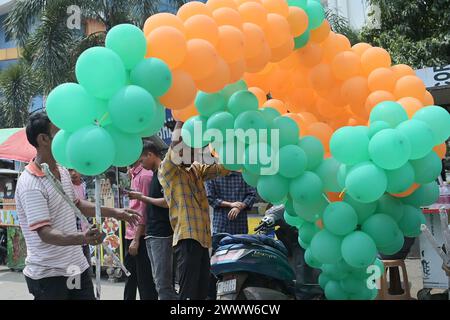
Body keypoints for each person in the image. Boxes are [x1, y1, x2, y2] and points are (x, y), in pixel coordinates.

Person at [15, 112, 141, 300]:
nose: (69, 137)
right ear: (43, 139)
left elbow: (77, 204)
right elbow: (45, 233)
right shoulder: (30, 183)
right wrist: (83, 238)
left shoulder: (62, 170)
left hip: (76, 268)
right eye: (60, 133)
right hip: (50, 276)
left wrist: (115, 212)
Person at [158, 121, 230, 300]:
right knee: (188, 293)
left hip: (203, 240)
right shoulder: (167, 171)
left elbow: (223, 167)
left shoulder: (196, 169)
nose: (193, 153)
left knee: (202, 292)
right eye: (188, 149)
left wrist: (225, 142)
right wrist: (181, 120)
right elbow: (174, 147)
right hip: (187, 239)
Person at [128, 141, 178, 300]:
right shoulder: (155, 174)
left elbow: (167, 201)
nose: (141, 164)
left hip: (162, 234)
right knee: (159, 282)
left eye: (142, 160)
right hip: (152, 233)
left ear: (150, 154)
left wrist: (142, 197)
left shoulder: (162, 173)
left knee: (163, 284)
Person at [123, 161, 157, 300]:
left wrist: (136, 240)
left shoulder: (145, 176)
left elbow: (144, 209)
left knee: (145, 281)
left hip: (141, 235)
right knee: (130, 277)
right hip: (130, 233)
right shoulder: (134, 174)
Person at [205, 172, 257, 249]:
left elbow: (252, 194)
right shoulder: (212, 176)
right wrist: (231, 204)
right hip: (223, 227)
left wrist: (238, 207)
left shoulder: (244, 175)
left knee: (221, 257)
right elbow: (210, 198)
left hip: (235, 226)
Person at [68, 169, 91, 266]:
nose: (73, 173)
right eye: (70, 170)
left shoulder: (84, 186)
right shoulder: (67, 187)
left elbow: (87, 208)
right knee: (76, 269)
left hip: (85, 233)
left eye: (76, 170)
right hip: (74, 234)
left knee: (87, 267)